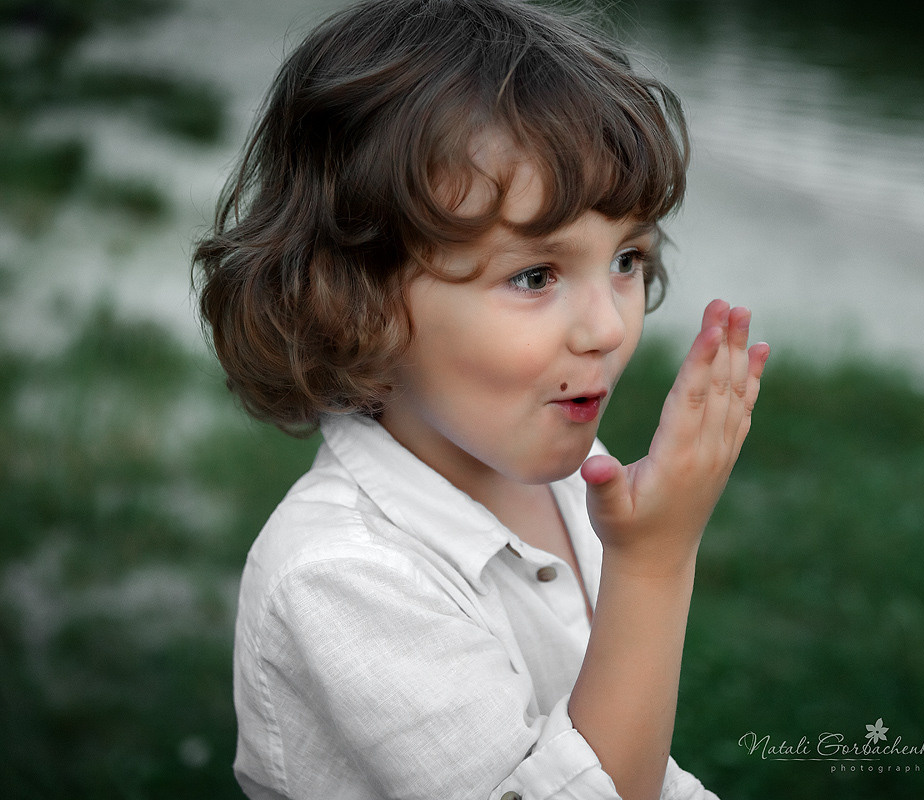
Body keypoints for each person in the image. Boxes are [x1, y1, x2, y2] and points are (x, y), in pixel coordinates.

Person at [193, 1, 769, 798]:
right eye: (534, 276)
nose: (608, 326)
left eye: (628, 258)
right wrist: (656, 563)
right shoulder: (339, 579)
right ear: (354, 301)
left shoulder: (571, 475)